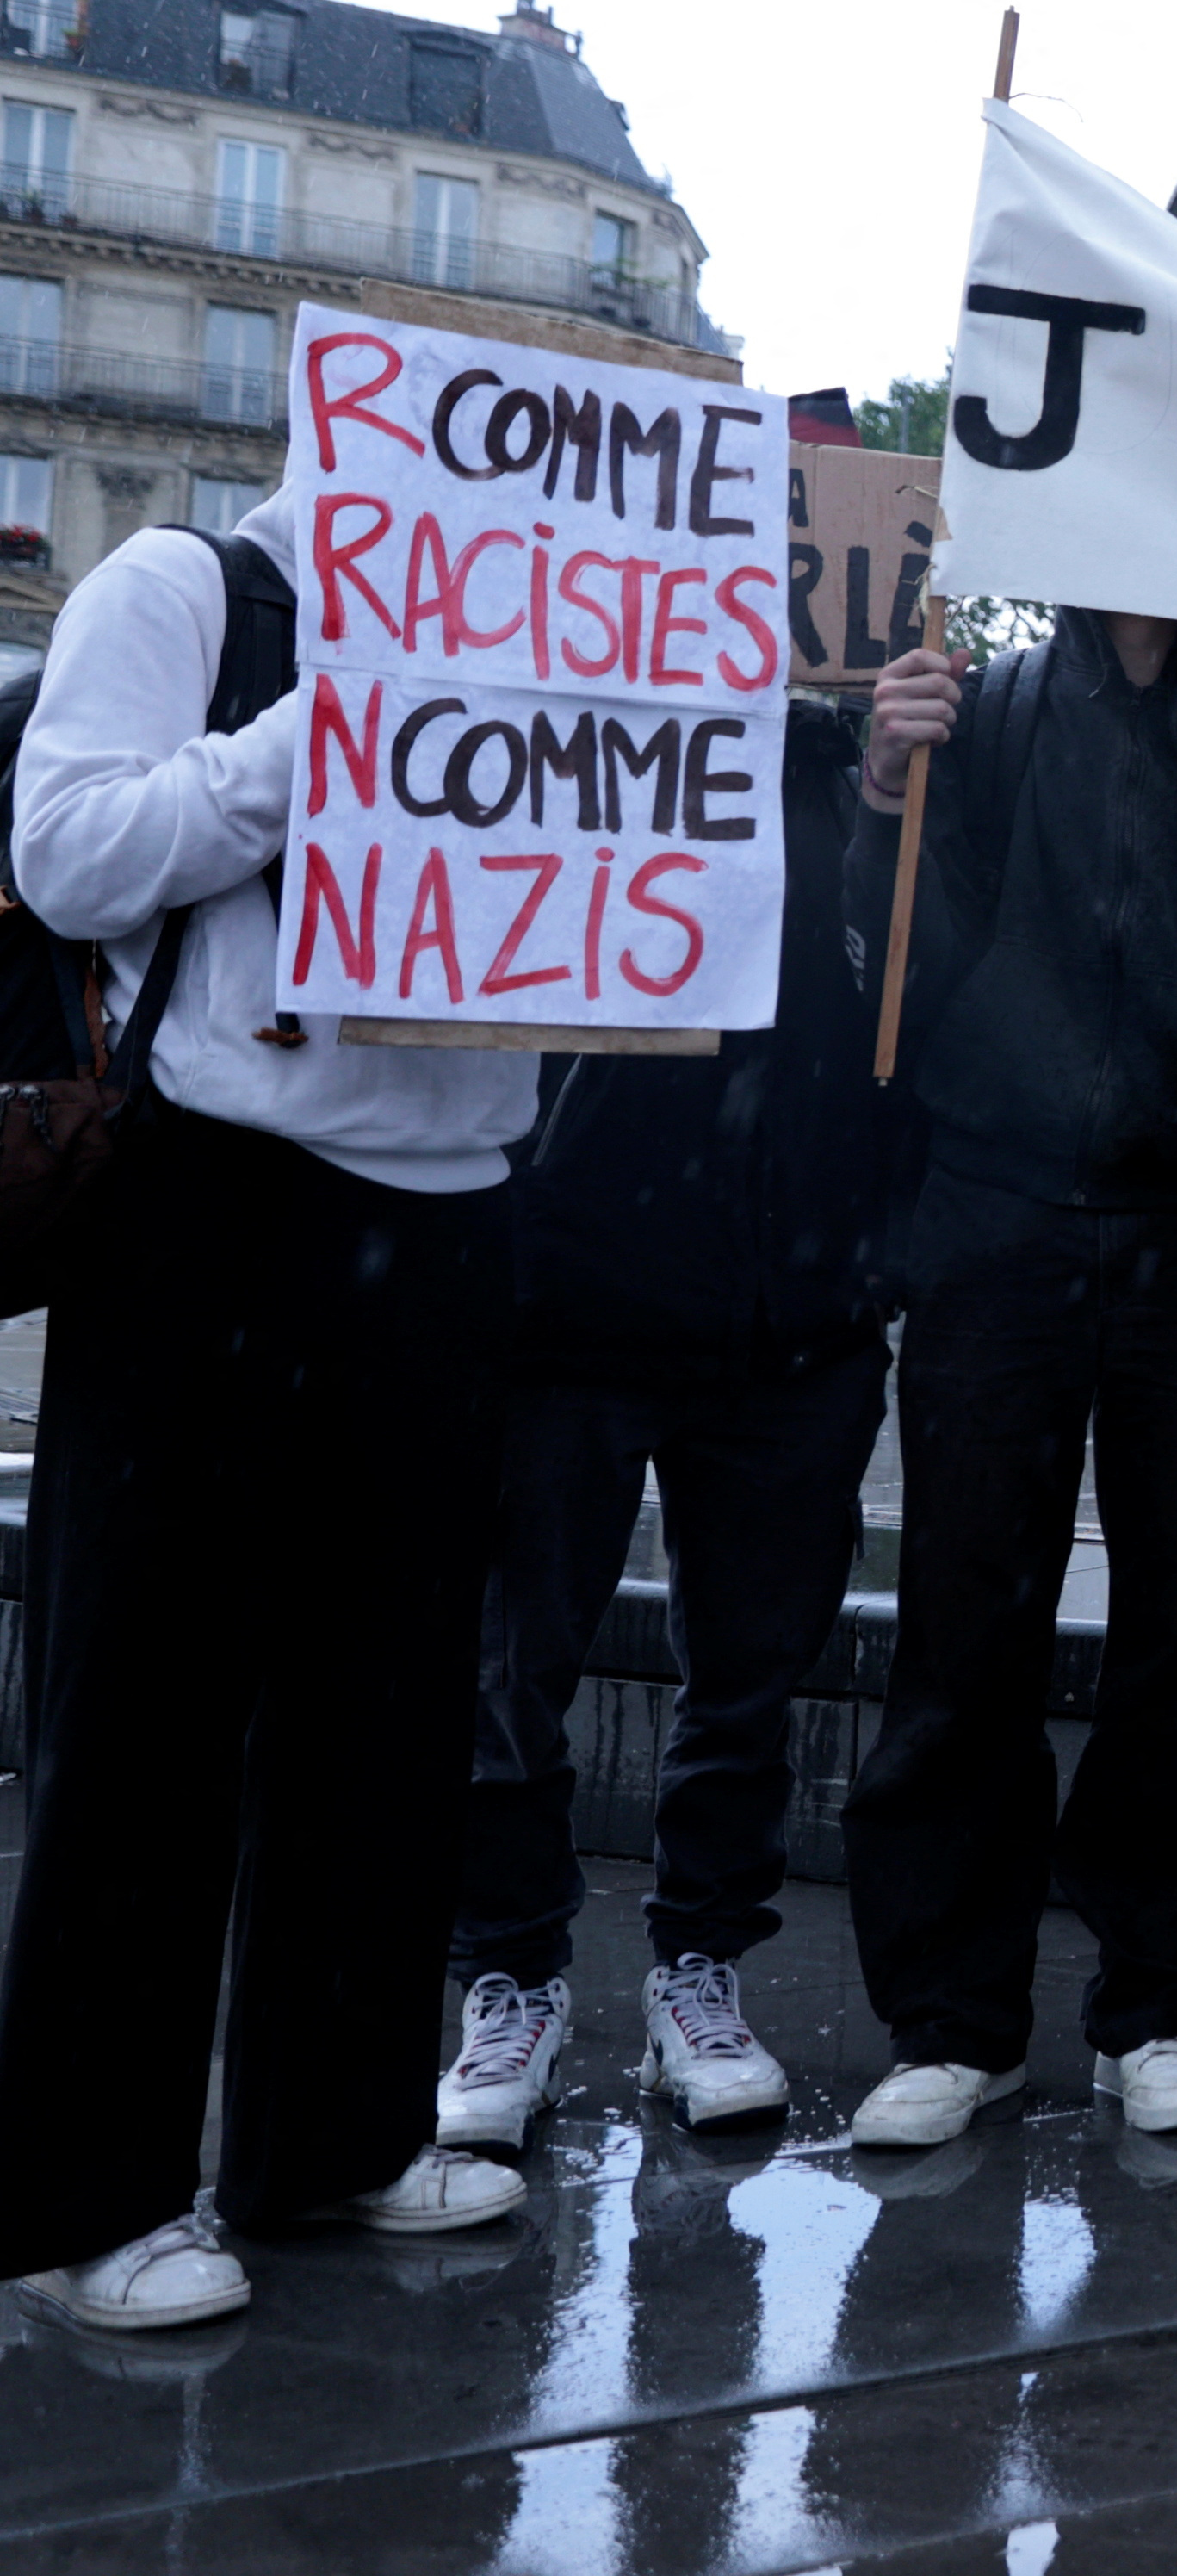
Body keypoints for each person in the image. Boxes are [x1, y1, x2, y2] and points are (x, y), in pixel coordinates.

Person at [0, 511, 531, 2331]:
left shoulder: (557, 632)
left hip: (449, 1211)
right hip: (208, 1202)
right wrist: (320, 735)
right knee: (142, 1701)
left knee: (387, 1707)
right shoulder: (188, 589)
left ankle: (335, 2140)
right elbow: (67, 855)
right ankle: (94, 2193)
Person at [839, 614, 1177, 2147]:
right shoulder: (977, 717)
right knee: (960, 1623)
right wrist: (883, 796)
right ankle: (953, 2023)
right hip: (993, 1223)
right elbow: (893, 984)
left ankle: (1149, 2004)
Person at [436, 689, 901, 2148]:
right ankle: (511, 1978)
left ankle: (701, 1970)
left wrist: (887, 805)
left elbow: (930, 991)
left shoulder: (871, 768)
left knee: (751, 1676)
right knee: (512, 1667)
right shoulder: (569, 723)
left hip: (798, 1314)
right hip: (572, 1290)